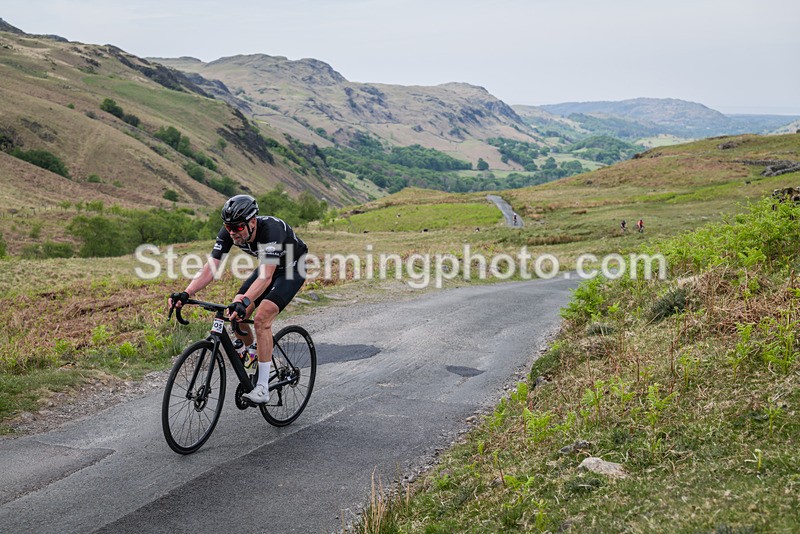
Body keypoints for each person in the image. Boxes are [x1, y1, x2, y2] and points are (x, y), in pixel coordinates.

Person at [168, 194, 308, 403]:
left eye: (238, 227)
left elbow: (267, 277)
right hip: (267, 267)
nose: (232, 232)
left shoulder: (271, 230)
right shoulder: (230, 231)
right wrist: (187, 293)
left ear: (252, 222)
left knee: (261, 319)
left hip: (292, 269)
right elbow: (211, 268)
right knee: (235, 314)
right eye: (228, 226)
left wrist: (245, 301)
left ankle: (262, 388)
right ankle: (257, 355)